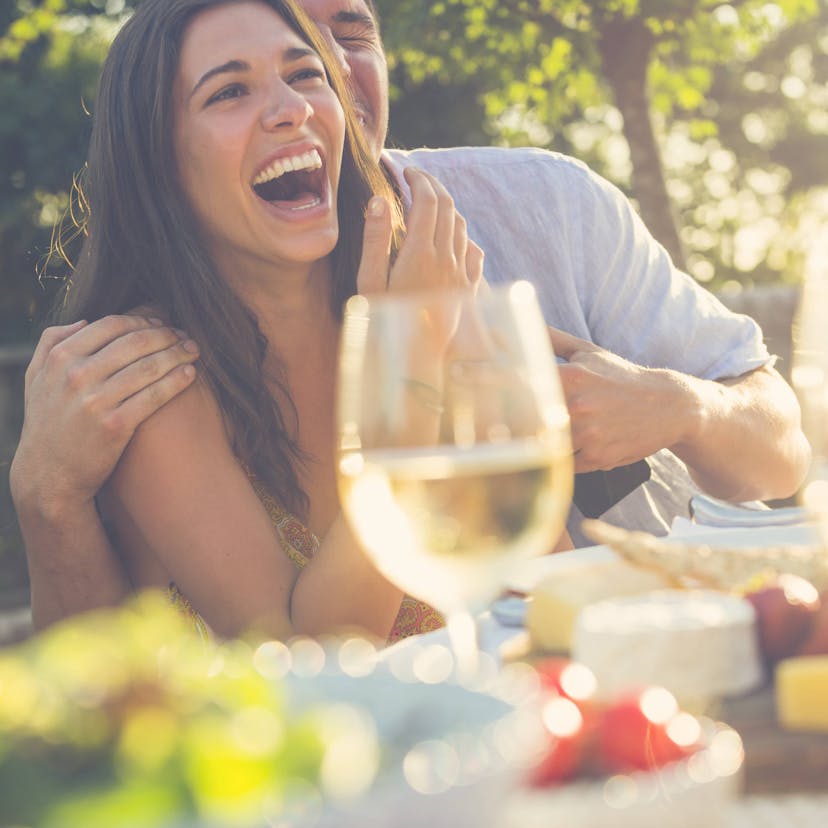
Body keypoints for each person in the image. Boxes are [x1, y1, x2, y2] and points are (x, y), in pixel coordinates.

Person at [10, 0, 809, 631]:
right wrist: (411, 357)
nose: (291, 108)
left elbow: (537, 582)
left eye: (306, 72)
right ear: (161, 164)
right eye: (229, 91)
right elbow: (314, 657)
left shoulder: (433, 280)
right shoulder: (158, 378)